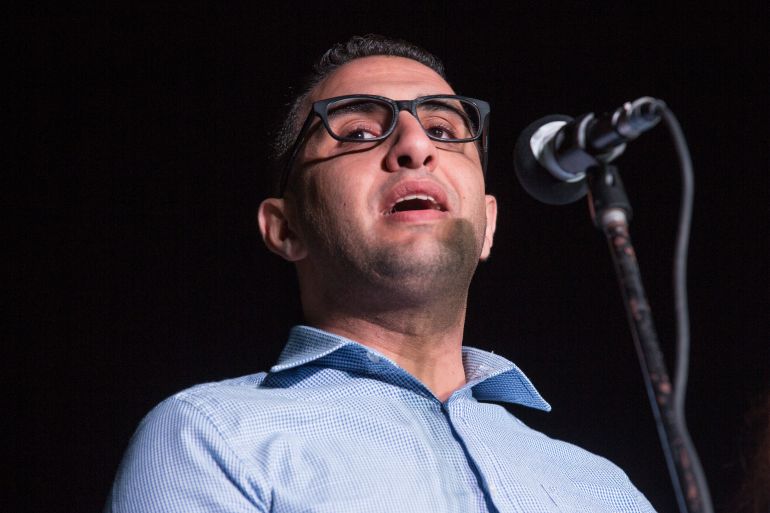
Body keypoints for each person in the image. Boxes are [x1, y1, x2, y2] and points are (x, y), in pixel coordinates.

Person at [105, 34, 657, 513]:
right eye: (360, 133)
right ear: (285, 227)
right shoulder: (212, 438)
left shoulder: (605, 490)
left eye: (443, 129)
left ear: (488, 224)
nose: (415, 146)